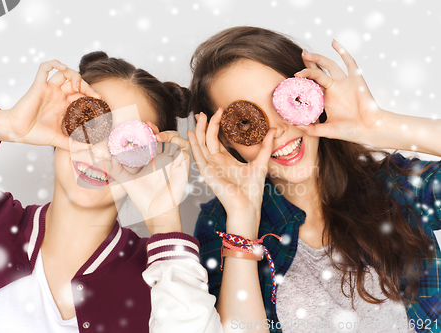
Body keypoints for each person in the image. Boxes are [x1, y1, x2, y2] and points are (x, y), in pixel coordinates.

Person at [0, 52, 222, 332]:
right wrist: (7, 125)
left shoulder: (162, 275)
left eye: (128, 142)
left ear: (152, 161)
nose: (102, 154)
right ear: (61, 122)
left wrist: (165, 223)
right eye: (90, 124)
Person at [188, 26, 441, 333]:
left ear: (316, 94)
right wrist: (242, 218)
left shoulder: (396, 187)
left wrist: (381, 124)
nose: (277, 128)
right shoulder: (220, 223)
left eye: (288, 99)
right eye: (246, 121)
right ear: (225, 142)